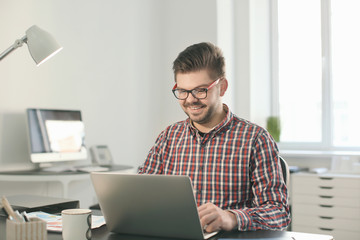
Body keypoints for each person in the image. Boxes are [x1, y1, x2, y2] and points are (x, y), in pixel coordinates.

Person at [138, 42, 290, 232]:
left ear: (222, 87)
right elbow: (141, 196)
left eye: (201, 90)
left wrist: (232, 218)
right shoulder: (169, 137)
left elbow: (279, 214)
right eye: (183, 91)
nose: (190, 99)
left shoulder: (256, 139)